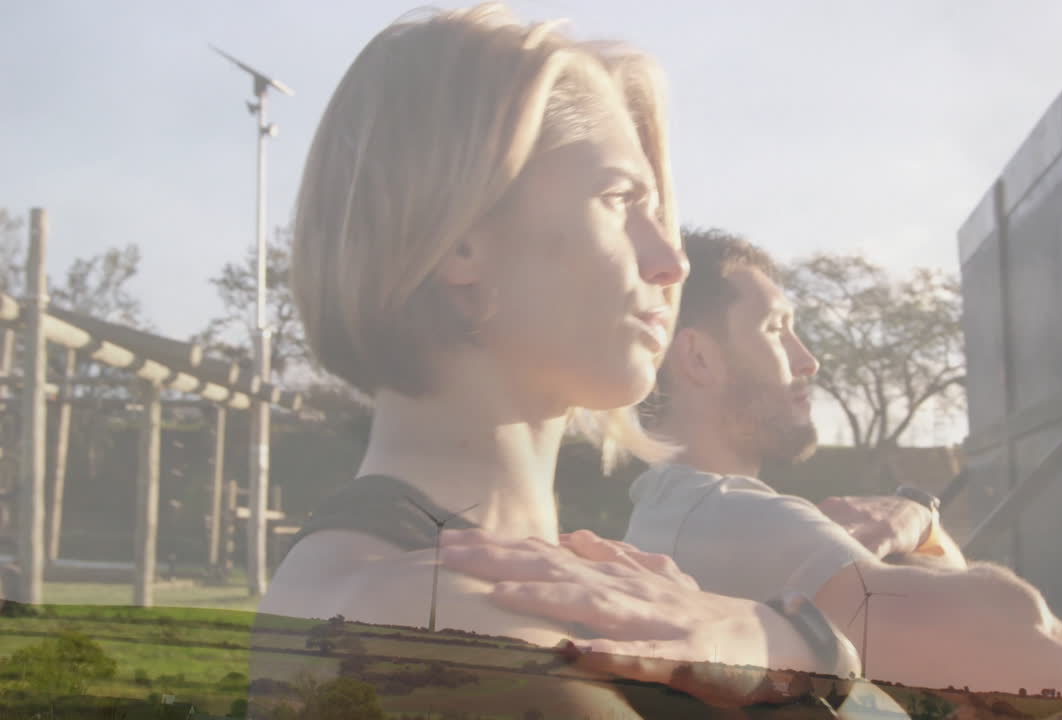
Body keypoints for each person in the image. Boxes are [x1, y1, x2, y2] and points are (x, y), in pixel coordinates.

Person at [248, 6, 859, 718]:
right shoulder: (449, 621)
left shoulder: (503, 583)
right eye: (619, 199)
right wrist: (799, 649)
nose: (671, 262)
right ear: (459, 239)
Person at [624, 228, 1062, 702]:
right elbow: (1042, 656)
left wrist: (923, 524)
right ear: (699, 358)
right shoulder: (729, 514)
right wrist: (918, 519)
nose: (806, 360)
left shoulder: (680, 516)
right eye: (776, 329)